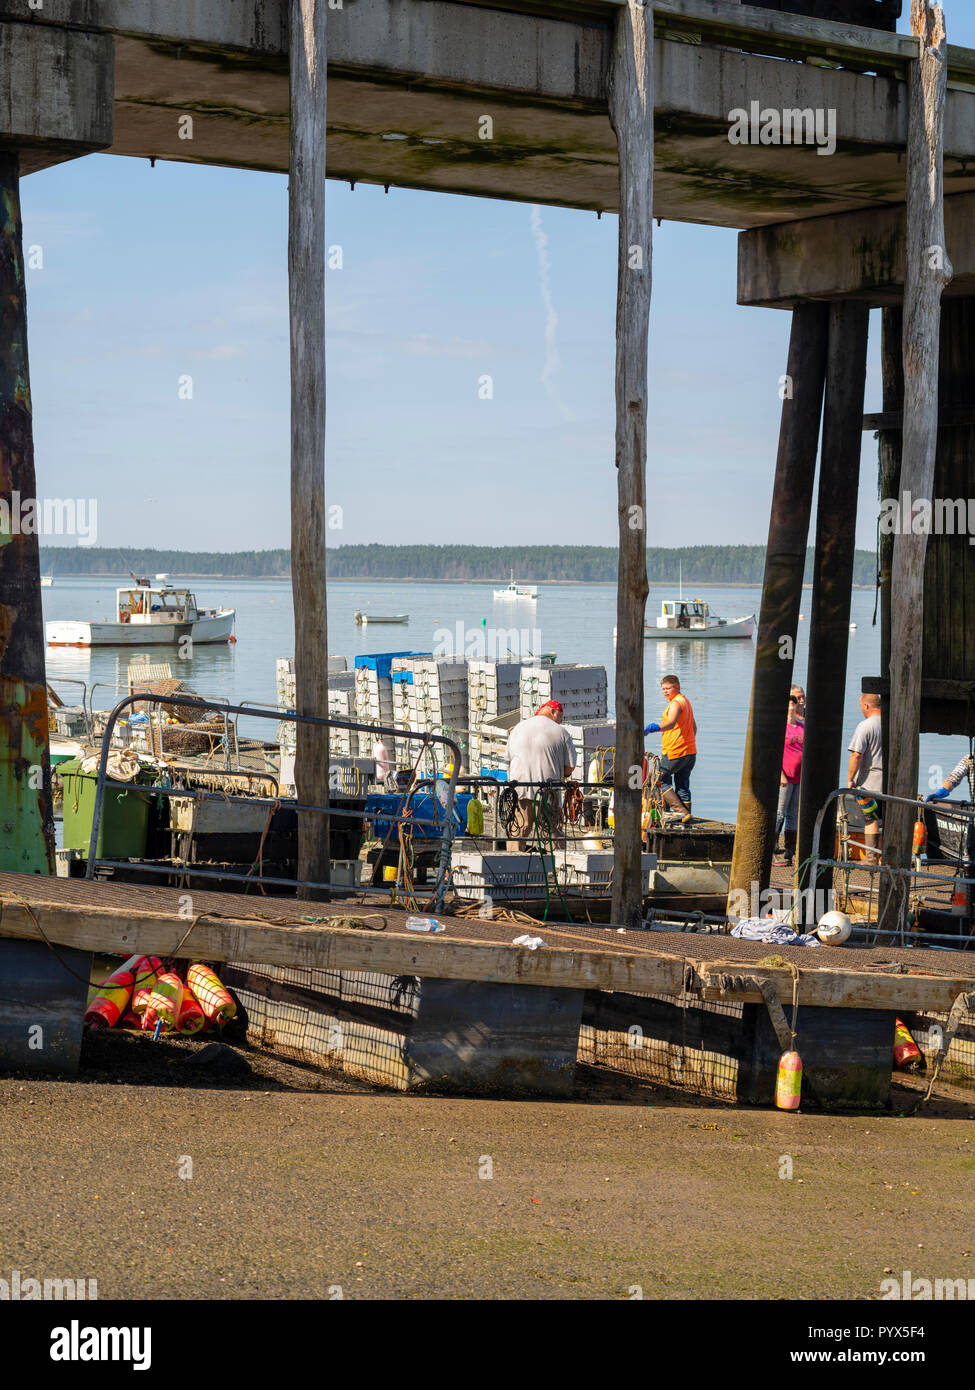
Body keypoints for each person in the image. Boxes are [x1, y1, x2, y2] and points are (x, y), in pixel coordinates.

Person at [505, 699, 576, 848]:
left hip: (520, 790)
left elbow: (509, 760)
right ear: (553, 711)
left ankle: (510, 865)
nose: (561, 721)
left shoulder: (518, 728)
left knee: (517, 832)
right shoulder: (562, 732)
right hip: (548, 793)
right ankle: (556, 868)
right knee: (552, 833)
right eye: (561, 717)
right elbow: (569, 768)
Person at [645, 674, 697, 824]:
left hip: (675, 751)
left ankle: (681, 812)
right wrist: (688, 741)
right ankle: (686, 817)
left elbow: (671, 723)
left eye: (669, 688)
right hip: (690, 752)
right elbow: (694, 727)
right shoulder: (686, 702)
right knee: (682, 784)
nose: (665, 691)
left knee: (657, 778)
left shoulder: (675, 703)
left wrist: (652, 728)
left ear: (677, 687)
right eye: (663, 689)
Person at [848, 692, 883, 863]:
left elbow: (856, 755)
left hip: (870, 784)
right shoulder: (892, 723)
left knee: (871, 821)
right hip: (891, 785)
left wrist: (850, 779)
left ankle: (870, 858)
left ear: (866, 706)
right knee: (889, 820)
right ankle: (890, 857)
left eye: (861, 706)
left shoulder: (865, 726)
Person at [776, 690, 805, 866]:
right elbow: (774, 753)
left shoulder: (801, 726)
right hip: (785, 778)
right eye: (788, 704)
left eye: (793, 704)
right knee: (780, 813)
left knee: (793, 814)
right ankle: (773, 848)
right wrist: (781, 775)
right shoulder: (780, 728)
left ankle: (790, 850)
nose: (791, 707)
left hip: (799, 776)